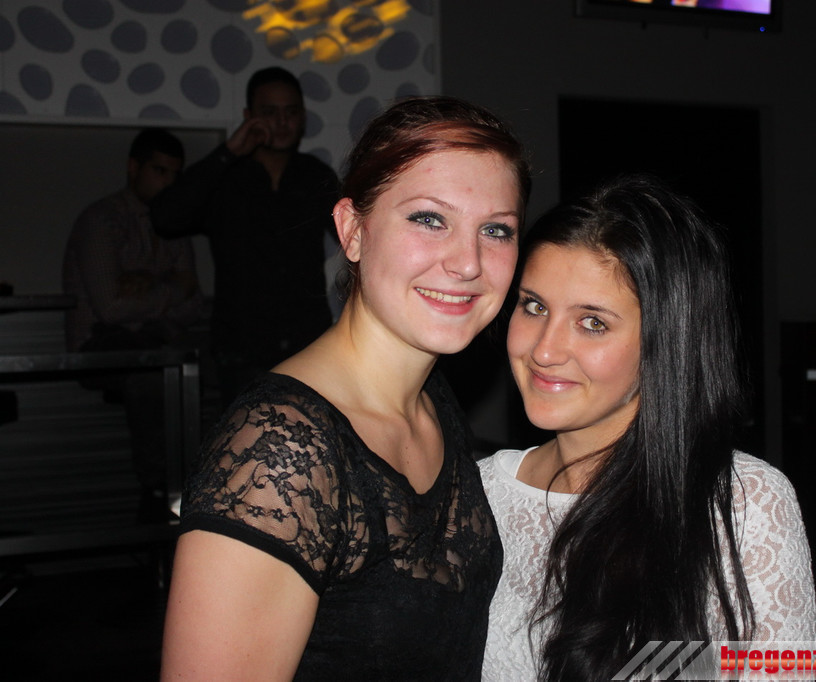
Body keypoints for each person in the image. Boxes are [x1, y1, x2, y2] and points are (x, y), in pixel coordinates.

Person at [161, 96, 532, 680]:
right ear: (352, 231)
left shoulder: (432, 402)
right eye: (429, 219)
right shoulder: (279, 450)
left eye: (495, 229)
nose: (468, 262)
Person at [478, 174, 816, 681]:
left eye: (592, 322)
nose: (544, 350)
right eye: (534, 306)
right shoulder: (477, 493)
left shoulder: (744, 505)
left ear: (664, 341)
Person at [150, 66, 340, 405]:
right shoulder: (226, 178)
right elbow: (165, 217)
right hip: (241, 351)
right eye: (270, 112)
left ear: (302, 117)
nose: (281, 122)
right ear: (249, 116)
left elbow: (357, 238)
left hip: (309, 347)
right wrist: (229, 151)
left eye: (290, 112)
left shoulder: (315, 176)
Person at [62, 127, 204, 516]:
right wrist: (171, 288)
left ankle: (199, 487)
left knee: (206, 358)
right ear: (133, 168)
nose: (168, 182)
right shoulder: (102, 220)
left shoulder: (173, 226)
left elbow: (194, 304)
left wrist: (143, 288)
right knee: (151, 373)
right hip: (99, 343)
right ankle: (159, 493)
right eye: (159, 170)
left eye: (174, 174)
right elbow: (111, 308)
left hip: (156, 339)